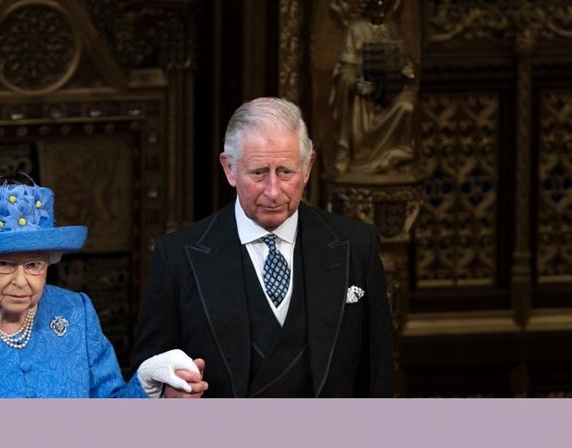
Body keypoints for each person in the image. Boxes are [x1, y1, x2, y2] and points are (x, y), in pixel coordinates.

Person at [132, 97, 394, 397]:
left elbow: (378, 376)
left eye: (285, 172)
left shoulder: (356, 246)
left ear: (307, 168)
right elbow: (147, 374)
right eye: (258, 172)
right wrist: (168, 395)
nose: (272, 191)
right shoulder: (177, 256)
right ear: (229, 169)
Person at [0, 182, 207, 398]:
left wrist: (147, 383)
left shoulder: (76, 312)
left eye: (34, 266)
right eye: (4, 264)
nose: (21, 280)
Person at [330, 0, 416, 175]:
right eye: (375, 4)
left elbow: (401, 60)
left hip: (391, 93)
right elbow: (344, 71)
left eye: (384, 4)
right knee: (359, 104)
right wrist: (356, 84)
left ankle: (398, 154)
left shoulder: (391, 26)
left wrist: (407, 70)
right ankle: (362, 158)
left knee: (408, 105)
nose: (379, 8)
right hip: (365, 98)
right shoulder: (355, 29)